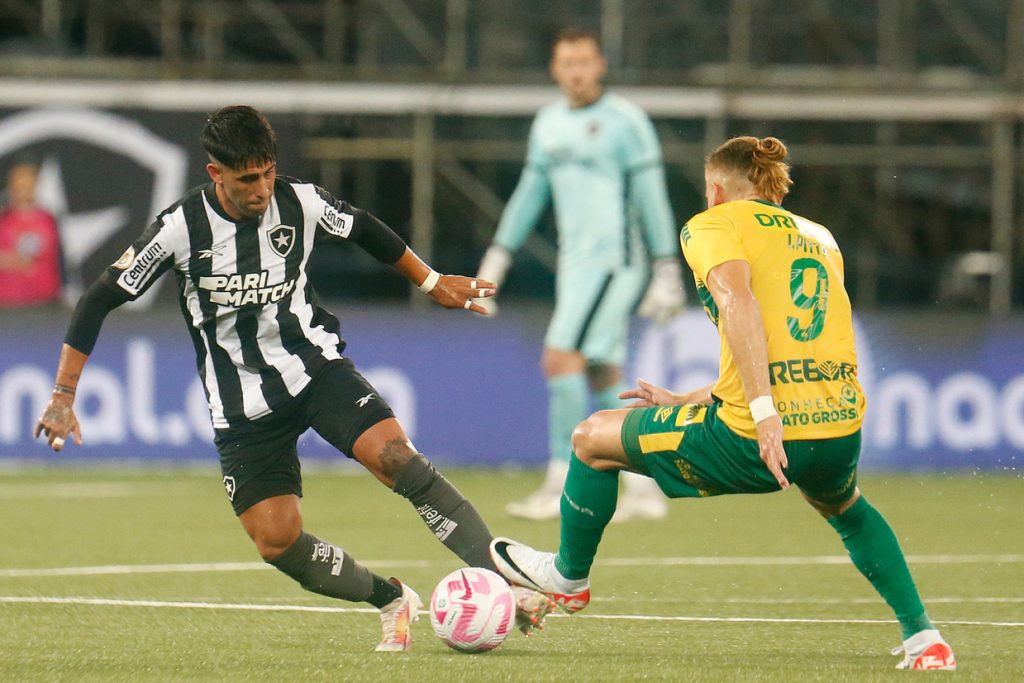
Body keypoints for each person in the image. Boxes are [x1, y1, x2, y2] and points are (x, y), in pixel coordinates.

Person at [33, 105, 553, 652]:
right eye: (246, 179)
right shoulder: (179, 229)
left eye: (267, 173)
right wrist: (64, 395)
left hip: (314, 369)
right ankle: (390, 598)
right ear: (216, 174)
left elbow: (365, 229)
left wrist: (430, 282)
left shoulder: (300, 202)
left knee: (394, 456)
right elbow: (99, 300)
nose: (260, 189)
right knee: (275, 540)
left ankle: (504, 581)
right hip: (242, 406)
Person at [488, 136, 956, 671]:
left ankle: (568, 579)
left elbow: (739, 302)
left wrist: (761, 415)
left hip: (757, 434)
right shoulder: (819, 236)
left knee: (592, 438)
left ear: (715, 189)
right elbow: (791, 344)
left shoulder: (712, 224)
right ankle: (925, 640)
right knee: (846, 509)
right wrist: (689, 399)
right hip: (837, 428)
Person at [476, 28, 685, 522]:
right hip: (576, 267)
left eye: (584, 62)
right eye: (566, 62)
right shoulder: (548, 123)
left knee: (559, 357)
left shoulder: (626, 122)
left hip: (616, 262)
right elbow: (531, 193)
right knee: (600, 371)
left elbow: (652, 195)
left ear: (600, 66)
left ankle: (561, 483)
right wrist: (497, 259)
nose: (576, 71)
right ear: (554, 68)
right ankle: (641, 485)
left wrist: (666, 267)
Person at [0, 161, 63, 307]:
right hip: (6, 305)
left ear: (36, 184)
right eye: (18, 181)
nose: (22, 186)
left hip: (44, 303)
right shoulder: (3, 219)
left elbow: (57, 261)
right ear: (10, 185)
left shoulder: (48, 220)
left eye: (27, 181)